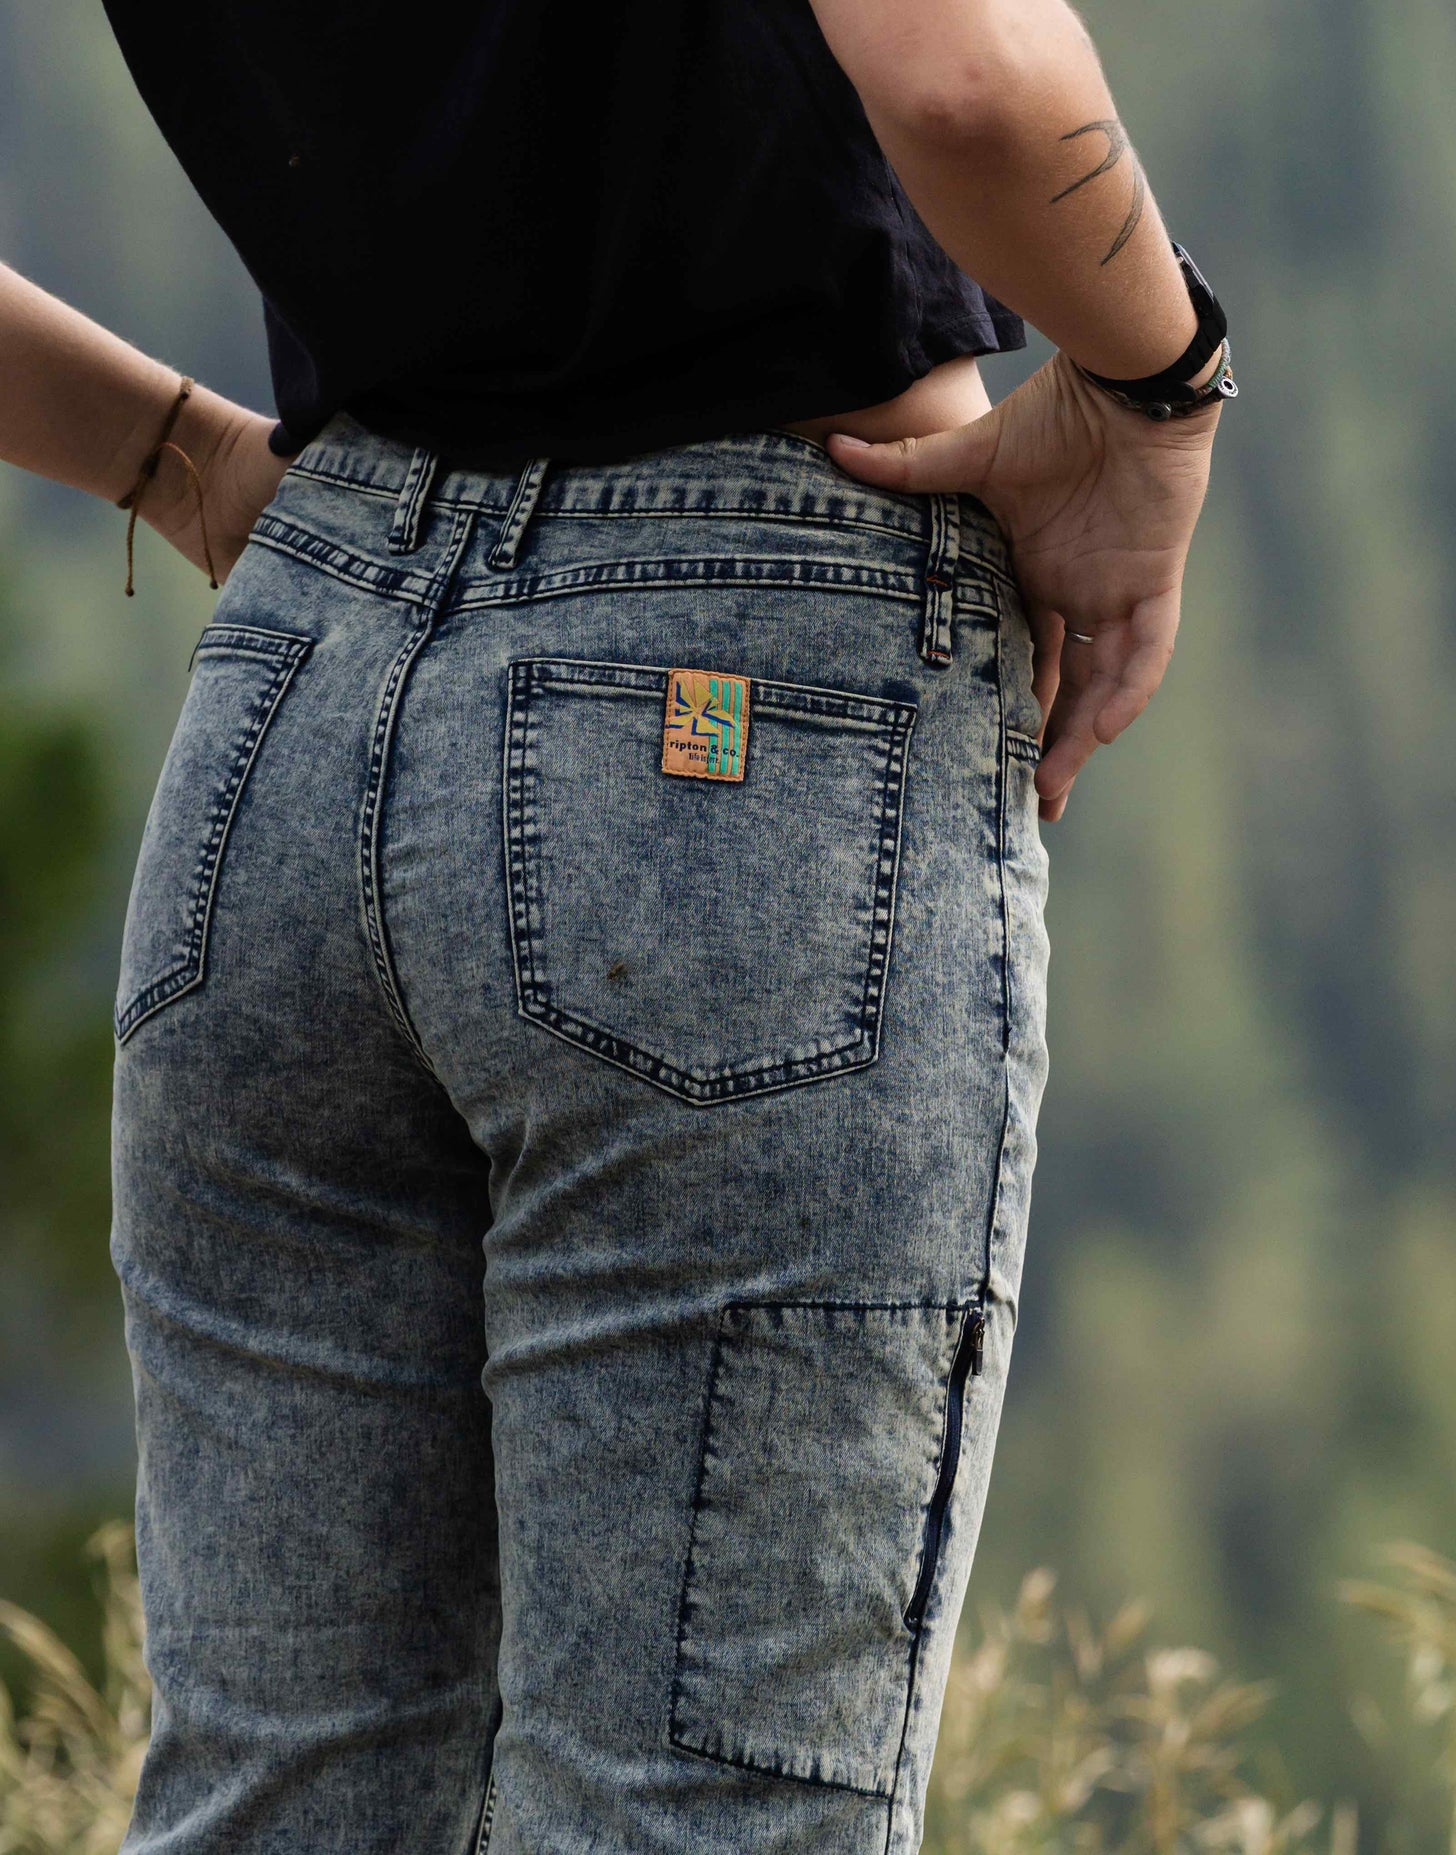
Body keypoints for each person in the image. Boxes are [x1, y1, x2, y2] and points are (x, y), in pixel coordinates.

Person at [1, 0, 1229, 1847]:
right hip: (742, 687)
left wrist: (170, 454)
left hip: (292, 703)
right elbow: (971, 80)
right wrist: (1161, 383)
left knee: (279, 1804)